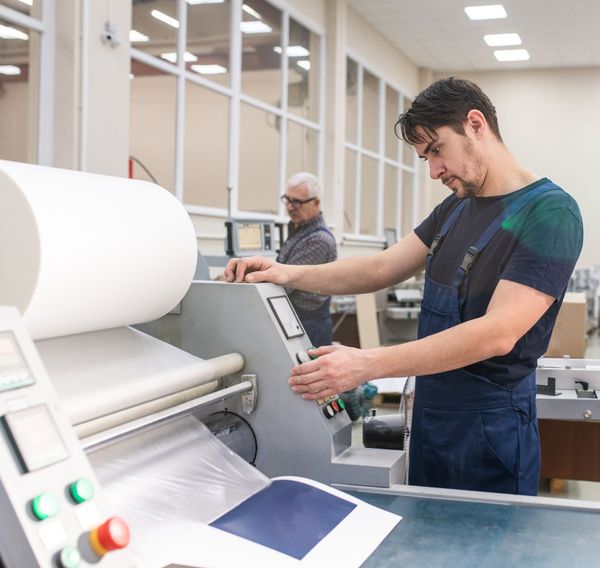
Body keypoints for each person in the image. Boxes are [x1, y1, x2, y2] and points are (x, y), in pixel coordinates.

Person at [225, 77, 583, 496]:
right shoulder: (454, 208)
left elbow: (498, 333)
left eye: (436, 150)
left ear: (475, 124)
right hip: (431, 419)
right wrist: (285, 272)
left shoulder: (549, 213)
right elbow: (381, 267)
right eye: (424, 157)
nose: (434, 171)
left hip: (490, 432)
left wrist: (366, 363)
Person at [277, 172, 337, 346]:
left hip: (310, 326)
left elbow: (286, 283)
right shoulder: (297, 229)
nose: (289, 207)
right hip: (296, 320)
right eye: (287, 200)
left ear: (316, 203)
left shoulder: (318, 240)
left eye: (296, 202)